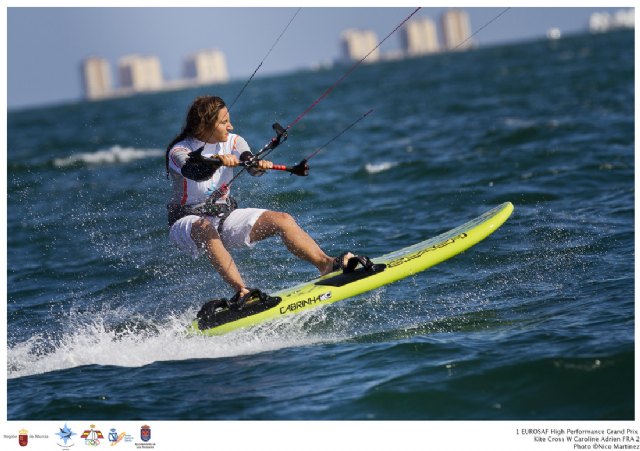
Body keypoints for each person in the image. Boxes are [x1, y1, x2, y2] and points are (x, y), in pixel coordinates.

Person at [165, 95, 356, 305]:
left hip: (223, 217)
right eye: (223, 122)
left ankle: (326, 264)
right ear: (204, 124)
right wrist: (217, 162)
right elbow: (195, 172)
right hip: (187, 223)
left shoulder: (234, 141)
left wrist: (257, 166)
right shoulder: (179, 151)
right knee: (204, 227)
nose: (230, 126)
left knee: (282, 219)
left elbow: (249, 163)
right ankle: (242, 293)